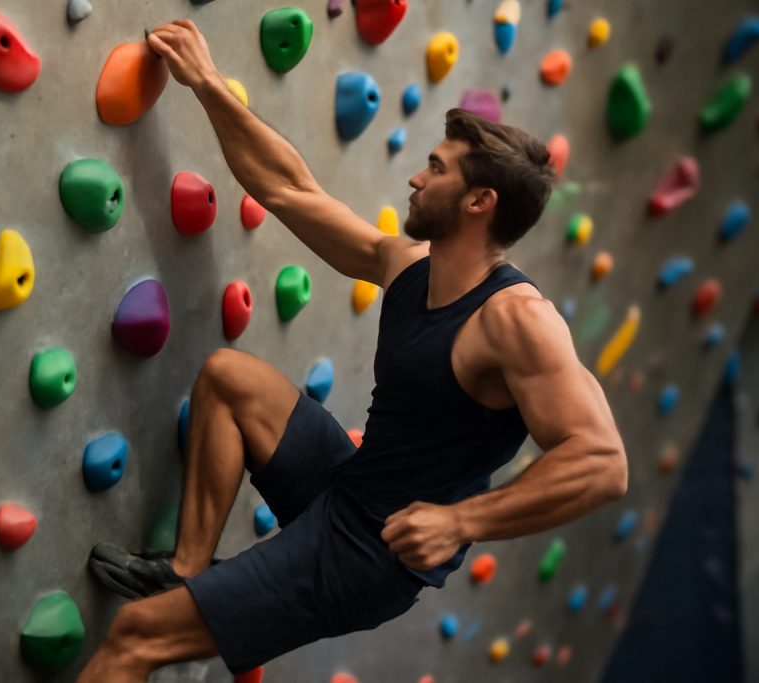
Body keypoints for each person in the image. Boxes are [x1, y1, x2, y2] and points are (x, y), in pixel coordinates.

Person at [78, 19, 627, 683]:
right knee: (228, 378)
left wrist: (460, 521)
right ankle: (190, 568)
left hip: (372, 553)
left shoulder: (518, 321)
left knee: (135, 634)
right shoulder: (408, 264)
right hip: (350, 484)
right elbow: (288, 190)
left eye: (436, 170)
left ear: (480, 201)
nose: (417, 181)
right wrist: (206, 84)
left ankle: (182, 615)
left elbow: (602, 462)